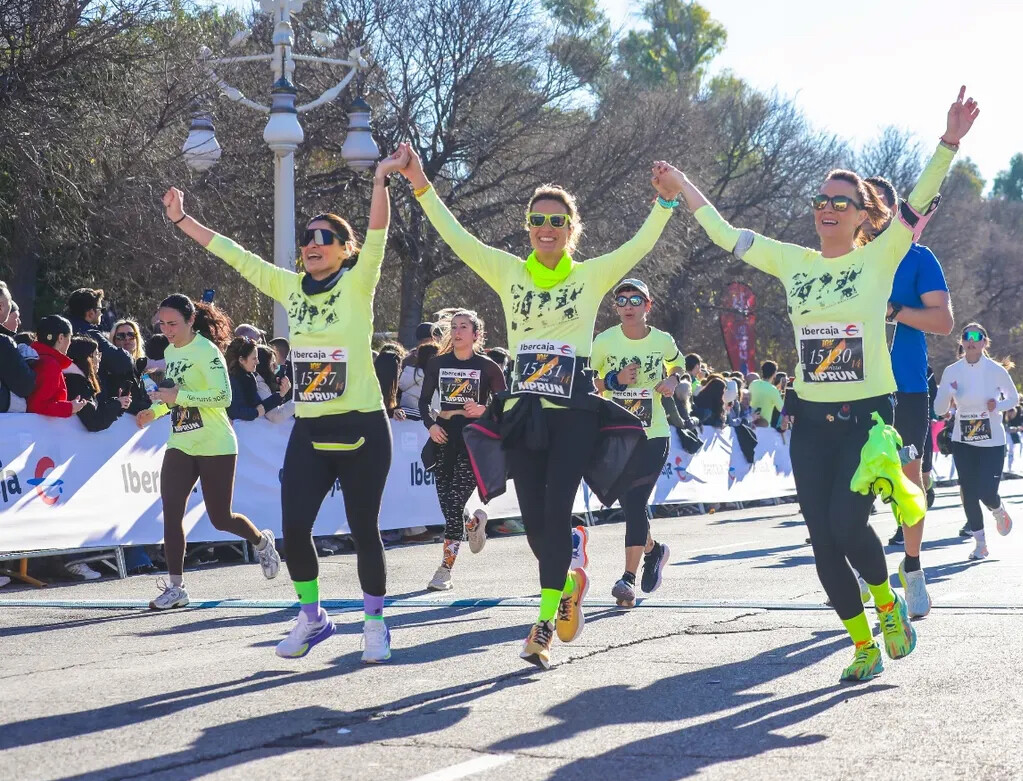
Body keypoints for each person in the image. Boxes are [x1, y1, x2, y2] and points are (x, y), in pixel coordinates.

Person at [656, 86, 978, 682]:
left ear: (862, 214)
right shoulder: (793, 261)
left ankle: (886, 603)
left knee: (847, 523)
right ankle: (864, 643)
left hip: (866, 417)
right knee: (822, 540)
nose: (827, 208)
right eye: (821, 200)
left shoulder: (881, 256)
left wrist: (949, 141)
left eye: (840, 201)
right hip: (810, 420)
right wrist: (681, 186)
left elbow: (918, 201)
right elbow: (725, 233)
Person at [403, 142, 678, 669]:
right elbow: (456, 237)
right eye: (537, 220)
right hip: (525, 415)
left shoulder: (589, 276)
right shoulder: (509, 272)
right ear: (527, 227)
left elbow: (638, 246)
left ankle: (544, 625)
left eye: (556, 221)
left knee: (555, 513)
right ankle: (569, 580)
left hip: (573, 417)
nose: (546, 228)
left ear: (571, 228)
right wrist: (420, 184)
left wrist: (665, 202)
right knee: (534, 524)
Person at [163, 145, 401, 662]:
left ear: (345, 249)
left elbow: (378, 231)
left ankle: (375, 624)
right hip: (311, 429)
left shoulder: (359, 281)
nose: (312, 244)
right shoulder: (290, 288)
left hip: (362, 426)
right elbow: (234, 254)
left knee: (364, 530)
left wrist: (381, 179)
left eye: (324, 237)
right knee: (293, 529)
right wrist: (183, 220)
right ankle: (312, 617)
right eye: (307, 238)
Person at [135, 294, 281, 608]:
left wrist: (180, 397)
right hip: (181, 442)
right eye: (163, 324)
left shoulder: (208, 351)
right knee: (171, 511)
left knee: (220, 518)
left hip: (216, 443)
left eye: (173, 323)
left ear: (190, 321)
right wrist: (154, 411)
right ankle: (177, 588)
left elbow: (223, 397)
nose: (167, 330)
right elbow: (173, 397)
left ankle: (261, 541)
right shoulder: (170, 351)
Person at [869, 176, 954, 618]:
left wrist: (894, 311)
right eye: (864, 206)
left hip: (906, 386)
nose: (872, 216)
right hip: (854, 384)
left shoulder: (919, 258)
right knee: (853, 480)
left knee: (908, 477)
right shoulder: (842, 259)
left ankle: (913, 567)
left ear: (897, 214)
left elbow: (944, 323)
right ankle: (863, 570)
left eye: (881, 207)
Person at [591, 279, 682, 607]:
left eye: (635, 300)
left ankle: (626, 579)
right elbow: (589, 380)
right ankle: (653, 550)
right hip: (617, 435)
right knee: (630, 504)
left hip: (653, 434)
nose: (628, 306)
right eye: (621, 300)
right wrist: (614, 380)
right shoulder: (604, 341)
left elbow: (678, 363)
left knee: (636, 500)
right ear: (616, 307)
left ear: (648, 305)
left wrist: (672, 379)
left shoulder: (662, 340)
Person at [419, 310, 505, 592]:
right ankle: (473, 522)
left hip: (474, 440)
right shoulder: (438, 363)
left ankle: (445, 569)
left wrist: (484, 409)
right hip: (444, 436)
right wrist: (431, 425)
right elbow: (423, 402)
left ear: (476, 334)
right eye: (454, 327)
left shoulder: (489, 367)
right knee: (447, 504)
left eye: (463, 327)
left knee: (454, 501)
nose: (457, 332)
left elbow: (506, 406)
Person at [934, 324, 1018, 560]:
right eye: (966, 336)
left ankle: (997, 509)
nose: (970, 341)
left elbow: (1013, 398)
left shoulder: (995, 370)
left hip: (992, 441)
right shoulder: (952, 371)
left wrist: (997, 405)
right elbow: (939, 409)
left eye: (976, 336)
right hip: (963, 440)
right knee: (969, 492)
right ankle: (980, 544)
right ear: (961, 341)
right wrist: (947, 393)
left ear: (984, 342)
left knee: (987, 493)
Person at [65, 287, 136, 397]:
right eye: (100, 310)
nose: (102, 314)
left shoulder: (62, 332)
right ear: (90, 313)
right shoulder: (90, 334)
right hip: (88, 396)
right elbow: (123, 362)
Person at [63, 336, 130, 432]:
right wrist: (117, 404)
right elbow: (94, 422)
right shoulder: (76, 383)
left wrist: (118, 403)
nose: (99, 359)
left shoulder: (78, 380)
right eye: (97, 354)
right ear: (88, 358)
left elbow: (96, 410)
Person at [28, 315, 89, 418]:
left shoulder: (38, 357)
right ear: (61, 338)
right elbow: (37, 405)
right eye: (70, 338)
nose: (70, 342)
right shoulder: (50, 364)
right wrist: (70, 407)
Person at [225, 336, 290, 422]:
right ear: (241, 360)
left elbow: (260, 405)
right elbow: (237, 411)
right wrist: (255, 412)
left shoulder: (250, 377)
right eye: (254, 358)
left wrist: (280, 394)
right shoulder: (231, 381)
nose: (257, 362)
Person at [0, 281, 36, 413]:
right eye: (10, 301)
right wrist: (28, 361)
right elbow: (25, 385)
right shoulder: (3, 343)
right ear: (0, 307)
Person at [748, 360, 784, 428]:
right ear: (774, 373)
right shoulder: (773, 390)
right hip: (764, 427)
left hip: (750, 424)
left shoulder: (753, 384)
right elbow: (782, 409)